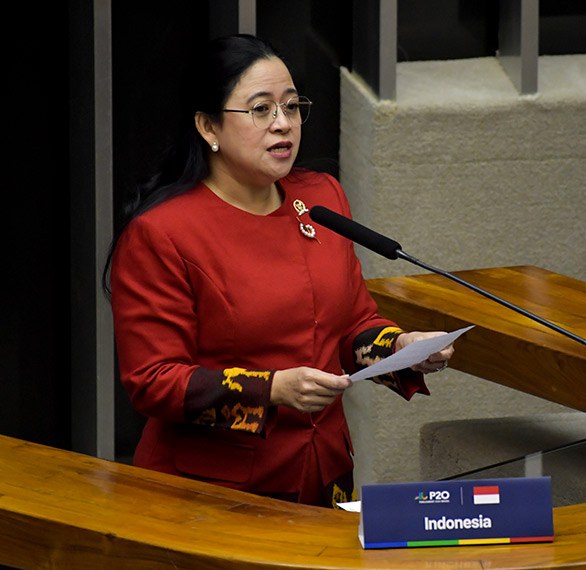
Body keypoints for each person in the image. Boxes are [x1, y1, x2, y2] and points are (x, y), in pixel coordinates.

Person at [102, 33, 453, 508]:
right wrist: (272, 390)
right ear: (208, 127)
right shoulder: (163, 232)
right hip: (213, 493)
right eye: (261, 109)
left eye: (291, 106)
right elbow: (154, 380)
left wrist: (401, 348)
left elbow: (351, 326)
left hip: (324, 475)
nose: (282, 124)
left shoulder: (322, 197)